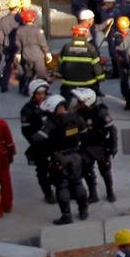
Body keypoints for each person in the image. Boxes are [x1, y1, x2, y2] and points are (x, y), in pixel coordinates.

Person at [38, 95, 89, 224]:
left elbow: (38, 139)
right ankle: (83, 211)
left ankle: (66, 216)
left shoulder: (53, 122)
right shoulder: (76, 117)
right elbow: (84, 132)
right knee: (78, 183)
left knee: (62, 187)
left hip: (60, 158)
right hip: (76, 156)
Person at [72, 87, 117, 202]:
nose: (77, 103)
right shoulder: (77, 112)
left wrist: (113, 146)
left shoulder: (101, 112)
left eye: (80, 101)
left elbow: (112, 130)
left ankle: (110, 192)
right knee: (87, 171)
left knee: (105, 171)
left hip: (101, 147)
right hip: (85, 146)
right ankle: (93, 194)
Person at [21, 80, 56, 203]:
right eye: (38, 94)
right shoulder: (27, 110)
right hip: (39, 146)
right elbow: (26, 131)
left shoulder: (51, 104)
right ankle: (48, 193)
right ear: (33, 94)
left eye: (43, 93)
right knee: (42, 171)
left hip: (54, 143)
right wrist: (36, 141)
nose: (41, 96)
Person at [57, 25, 103, 102]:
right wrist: (100, 77)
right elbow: (96, 65)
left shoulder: (66, 47)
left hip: (69, 83)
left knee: (65, 99)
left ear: (75, 34)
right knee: (91, 101)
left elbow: (60, 65)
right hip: (87, 83)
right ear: (85, 35)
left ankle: (65, 108)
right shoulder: (90, 48)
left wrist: (59, 74)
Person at [15, 7, 51, 89]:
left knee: (28, 74)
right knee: (41, 74)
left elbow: (18, 44)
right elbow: (43, 44)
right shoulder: (38, 30)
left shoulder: (19, 31)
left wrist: (18, 54)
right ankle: (43, 90)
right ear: (33, 19)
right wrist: (47, 53)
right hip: (38, 56)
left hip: (26, 55)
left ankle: (25, 89)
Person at [0, 0, 23, 93]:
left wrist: (2, 46)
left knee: (7, 66)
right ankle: (23, 85)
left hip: (7, 46)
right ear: (17, 8)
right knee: (20, 65)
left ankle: (4, 85)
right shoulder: (19, 19)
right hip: (17, 46)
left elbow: (0, 36)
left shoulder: (3, 20)